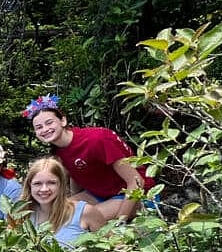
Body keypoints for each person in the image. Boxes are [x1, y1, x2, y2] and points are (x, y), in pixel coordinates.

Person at [23, 94, 153, 221]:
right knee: (56, 211)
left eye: (49, 123)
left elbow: (136, 182)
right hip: (98, 194)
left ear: (63, 121)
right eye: (39, 127)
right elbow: (77, 172)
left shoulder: (97, 139)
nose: (45, 129)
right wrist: (74, 200)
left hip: (134, 194)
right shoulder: (59, 151)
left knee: (80, 219)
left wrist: (120, 221)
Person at [6, 157, 106, 252]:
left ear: (61, 185)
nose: (44, 189)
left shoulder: (85, 212)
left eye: (51, 183)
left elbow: (114, 247)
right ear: (29, 186)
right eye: (37, 184)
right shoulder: (20, 217)